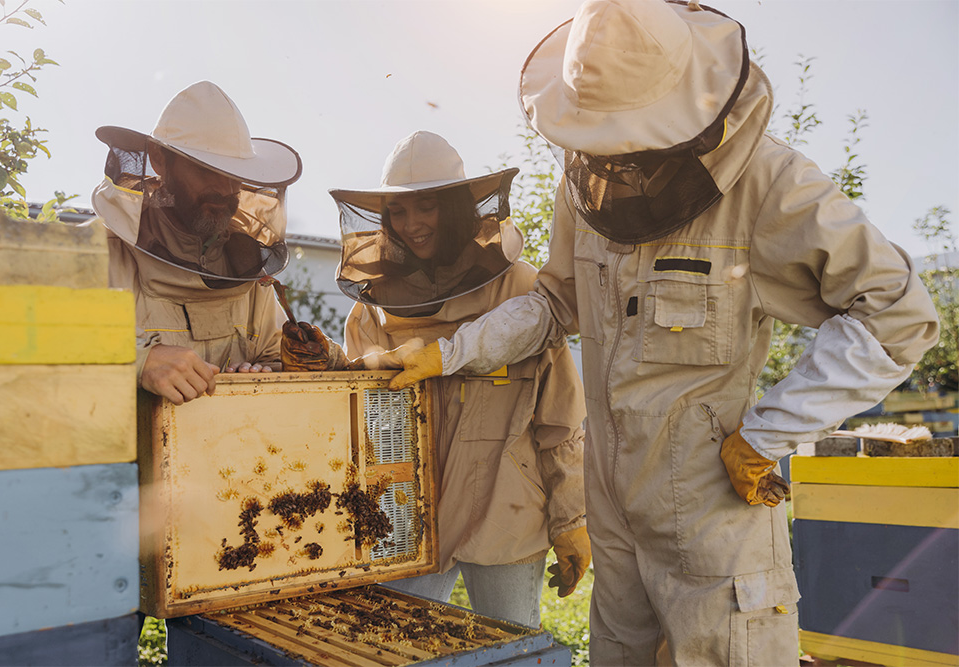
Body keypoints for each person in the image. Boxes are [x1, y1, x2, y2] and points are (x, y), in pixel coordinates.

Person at [389, 2, 940, 664]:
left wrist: (769, 432)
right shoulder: (585, 187)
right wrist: (452, 350)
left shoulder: (767, 182)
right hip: (616, 524)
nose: (607, 155)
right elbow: (553, 302)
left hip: (714, 529)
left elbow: (899, 313)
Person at [331, 130, 591, 628]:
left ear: (452, 208)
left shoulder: (522, 290)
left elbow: (559, 420)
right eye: (398, 213)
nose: (411, 225)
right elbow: (354, 422)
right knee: (396, 644)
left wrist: (571, 519)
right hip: (404, 514)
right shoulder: (371, 311)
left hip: (507, 507)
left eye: (425, 207)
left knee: (509, 648)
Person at [91, 81, 348, 405]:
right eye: (206, 170)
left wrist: (260, 374)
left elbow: (272, 354)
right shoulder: (98, 254)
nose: (225, 189)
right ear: (159, 160)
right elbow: (38, 345)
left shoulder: (245, 269)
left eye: (234, 173)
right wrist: (139, 360)